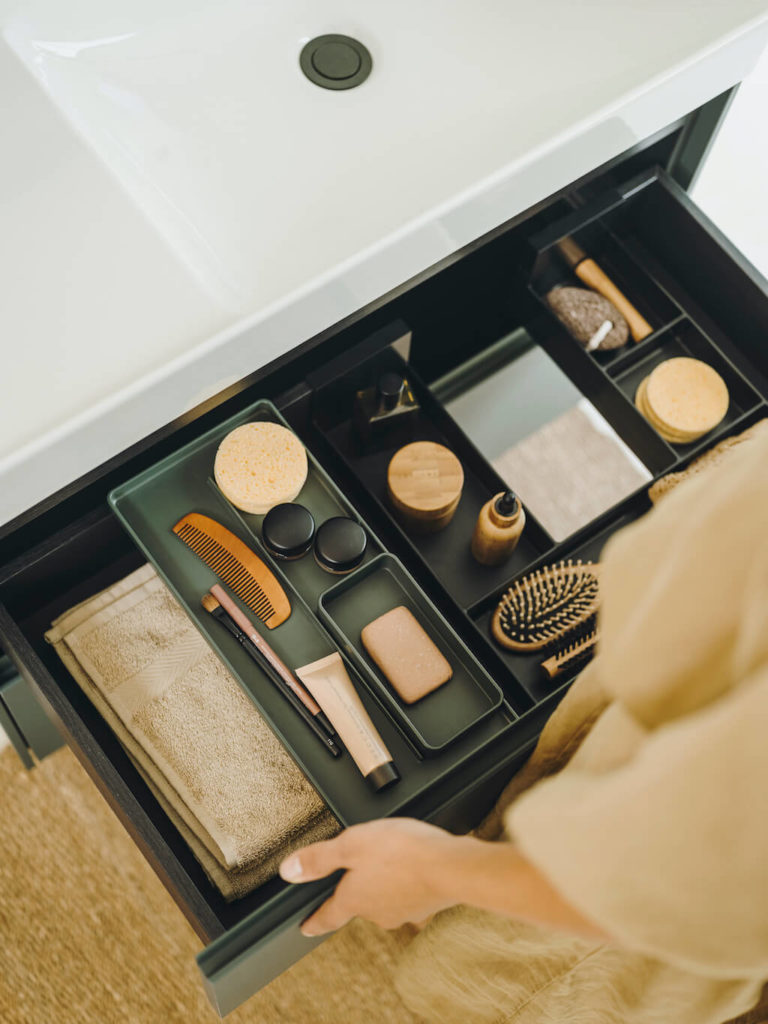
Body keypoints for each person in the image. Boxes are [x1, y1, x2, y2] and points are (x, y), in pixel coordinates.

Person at [279, 422, 768, 1024]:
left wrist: (436, 871)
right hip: (652, 712)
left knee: (506, 981)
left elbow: (687, 881)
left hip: (633, 900)